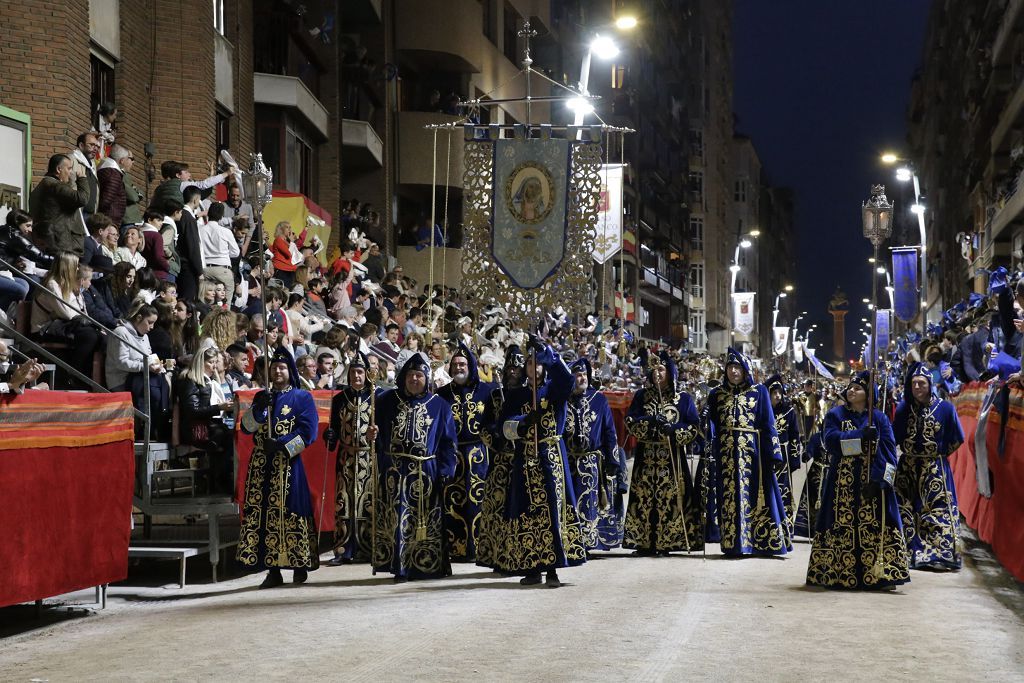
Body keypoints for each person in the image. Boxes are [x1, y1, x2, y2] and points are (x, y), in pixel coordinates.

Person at [481, 336, 587, 587]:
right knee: (527, 509)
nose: (533, 367)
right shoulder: (516, 395)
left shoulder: (554, 389)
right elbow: (504, 427)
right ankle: (532, 566)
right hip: (525, 456)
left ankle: (553, 569)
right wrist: (521, 423)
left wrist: (549, 352)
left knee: (552, 508)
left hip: (551, 455)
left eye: (537, 363)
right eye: (529, 363)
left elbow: (567, 379)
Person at [806, 371, 910, 590]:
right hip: (840, 485)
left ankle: (881, 575)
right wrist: (860, 438)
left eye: (858, 388)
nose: (852, 390)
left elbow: (891, 455)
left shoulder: (879, 418)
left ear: (868, 393)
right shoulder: (836, 415)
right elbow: (832, 445)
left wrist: (884, 482)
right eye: (851, 387)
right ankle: (838, 573)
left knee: (877, 526)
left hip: (873, 485)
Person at [237, 347, 320, 588]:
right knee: (265, 516)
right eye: (274, 368)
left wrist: (283, 445)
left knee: (291, 511)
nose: (277, 371)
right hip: (262, 464)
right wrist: (258, 409)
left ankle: (299, 562)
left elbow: (308, 433)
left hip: (288, 465)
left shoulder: (302, 397)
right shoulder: (262, 396)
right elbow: (246, 428)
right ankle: (272, 568)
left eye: (282, 367)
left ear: (290, 371)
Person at [371, 352, 457, 581]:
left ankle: (427, 565)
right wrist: (372, 435)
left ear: (426, 378)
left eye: (419, 375)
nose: (414, 379)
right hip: (395, 472)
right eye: (410, 375)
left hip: (425, 472)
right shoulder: (387, 400)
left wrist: (447, 470)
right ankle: (400, 566)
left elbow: (448, 442)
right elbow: (375, 434)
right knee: (398, 520)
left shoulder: (439, 405)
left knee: (425, 520)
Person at [706, 348, 790, 557]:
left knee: (756, 496)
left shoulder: (759, 391)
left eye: (737, 367)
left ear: (745, 370)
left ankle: (760, 542)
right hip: (725, 456)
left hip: (753, 456)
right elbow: (711, 425)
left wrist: (775, 454)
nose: (733, 372)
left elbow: (768, 423)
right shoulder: (716, 394)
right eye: (730, 367)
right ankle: (734, 544)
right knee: (728, 497)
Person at [623, 352, 702, 556]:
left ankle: (670, 542)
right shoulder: (642, 396)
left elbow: (694, 426)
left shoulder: (683, 399)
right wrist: (648, 422)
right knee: (644, 500)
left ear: (670, 372)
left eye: (661, 369)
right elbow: (630, 422)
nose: (657, 373)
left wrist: (674, 430)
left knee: (671, 498)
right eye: (654, 369)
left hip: (672, 458)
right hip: (646, 458)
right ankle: (643, 542)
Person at [892, 362, 965, 571]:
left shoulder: (945, 408)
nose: (917, 387)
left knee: (937, 509)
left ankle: (939, 554)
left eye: (921, 383)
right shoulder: (904, 408)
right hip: (907, 468)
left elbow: (957, 438)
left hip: (935, 468)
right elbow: (895, 436)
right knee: (905, 508)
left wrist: (937, 456)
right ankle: (905, 551)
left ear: (930, 384)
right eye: (914, 383)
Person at [436, 343, 495, 562]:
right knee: (454, 503)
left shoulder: (488, 391)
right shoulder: (442, 394)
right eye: (455, 365)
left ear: (470, 366)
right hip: (454, 455)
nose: (459, 368)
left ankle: (482, 548)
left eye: (462, 364)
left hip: (480, 455)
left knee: (480, 501)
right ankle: (456, 549)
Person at [323, 352, 379, 564]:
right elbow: (334, 433)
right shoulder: (339, 399)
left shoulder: (376, 396)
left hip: (368, 457)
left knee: (368, 501)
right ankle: (344, 550)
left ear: (367, 374)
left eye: (360, 372)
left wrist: (377, 434)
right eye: (353, 372)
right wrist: (329, 436)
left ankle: (370, 547)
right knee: (344, 503)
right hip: (346, 457)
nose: (356, 376)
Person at [564, 357, 623, 552]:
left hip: (592, 461)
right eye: (577, 375)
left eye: (583, 374)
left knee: (591, 502)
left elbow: (609, 431)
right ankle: (572, 540)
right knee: (571, 501)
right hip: (569, 460)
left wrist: (613, 460)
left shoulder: (598, 398)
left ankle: (591, 541)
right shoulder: (562, 400)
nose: (581, 378)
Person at [30, 252, 101, 387]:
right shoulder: (52, 284)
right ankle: (75, 375)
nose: (77, 269)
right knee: (89, 335)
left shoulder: (67, 285)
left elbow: (79, 312)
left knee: (98, 336)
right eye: (75, 266)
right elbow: (67, 313)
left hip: (61, 326)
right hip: (44, 329)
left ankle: (88, 377)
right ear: (67, 267)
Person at [29, 154, 90, 256]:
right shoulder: (54, 185)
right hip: (62, 245)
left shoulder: (45, 185)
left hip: (54, 241)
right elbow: (82, 199)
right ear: (58, 169)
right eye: (69, 168)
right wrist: (82, 179)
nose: (71, 173)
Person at [767, 375, 802, 536]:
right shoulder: (762, 410)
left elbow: (795, 435)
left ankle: (785, 527)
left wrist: (795, 458)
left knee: (784, 490)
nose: (777, 396)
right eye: (774, 392)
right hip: (766, 455)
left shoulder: (789, 411)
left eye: (779, 392)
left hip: (783, 456)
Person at [177, 186, 206, 301]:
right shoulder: (188, 218)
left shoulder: (181, 215)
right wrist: (199, 270)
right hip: (188, 267)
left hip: (182, 264)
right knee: (187, 301)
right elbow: (193, 246)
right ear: (195, 200)